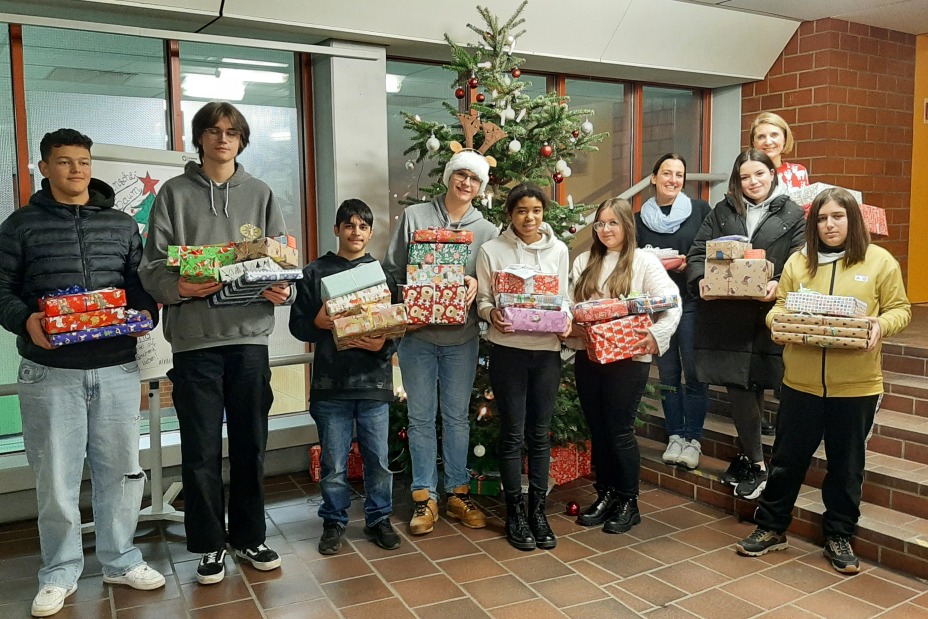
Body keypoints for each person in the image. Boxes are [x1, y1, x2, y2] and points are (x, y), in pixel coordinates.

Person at [0, 129, 165, 617]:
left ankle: (120, 559)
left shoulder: (119, 224)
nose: (76, 170)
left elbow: (138, 282)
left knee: (120, 471)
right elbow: (2, 287)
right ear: (45, 168)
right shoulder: (19, 226)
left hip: (116, 366)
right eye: (65, 161)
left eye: (84, 161)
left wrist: (144, 314)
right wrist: (24, 320)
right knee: (55, 478)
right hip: (50, 371)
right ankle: (59, 570)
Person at [139, 102, 292, 585]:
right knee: (200, 450)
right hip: (192, 343)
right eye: (213, 131)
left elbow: (281, 258)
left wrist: (283, 287)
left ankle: (249, 536)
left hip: (249, 339)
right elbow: (151, 267)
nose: (222, 139)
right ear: (200, 138)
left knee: (251, 444)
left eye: (232, 132)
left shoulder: (262, 194)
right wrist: (179, 288)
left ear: (242, 140)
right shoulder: (173, 194)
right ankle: (207, 546)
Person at [736, 188, 911, 573]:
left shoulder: (879, 262)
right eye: (821, 218)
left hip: (857, 386)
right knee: (786, 461)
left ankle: (839, 534)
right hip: (800, 383)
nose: (829, 225)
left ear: (853, 219)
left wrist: (880, 324)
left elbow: (901, 310)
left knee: (847, 466)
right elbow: (780, 306)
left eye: (837, 216)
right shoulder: (801, 262)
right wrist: (775, 322)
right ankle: (771, 528)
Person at [382, 149, 499, 535]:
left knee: (456, 418)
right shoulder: (416, 217)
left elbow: (491, 279)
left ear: (481, 187)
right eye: (460, 175)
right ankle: (423, 497)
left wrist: (476, 283)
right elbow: (393, 267)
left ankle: (457, 493)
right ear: (449, 176)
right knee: (419, 418)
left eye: (474, 179)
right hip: (417, 338)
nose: (466, 183)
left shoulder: (487, 231)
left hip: (460, 338)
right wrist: (407, 306)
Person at [686, 148, 805, 500]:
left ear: (773, 174)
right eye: (745, 176)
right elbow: (696, 254)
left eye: (760, 174)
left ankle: (771, 463)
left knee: (770, 385)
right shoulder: (722, 211)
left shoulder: (794, 214)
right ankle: (756, 461)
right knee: (739, 388)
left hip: (770, 316)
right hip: (728, 315)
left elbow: (801, 260)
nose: (753, 182)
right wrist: (700, 281)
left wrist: (778, 283)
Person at [289, 199, 401, 556]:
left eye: (363, 226)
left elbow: (397, 327)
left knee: (378, 460)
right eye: (349, 225)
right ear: (336, 230)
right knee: (333, 463)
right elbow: (297, 325)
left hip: (373, 384)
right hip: (330, 386)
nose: (356, 232)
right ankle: (334, 521)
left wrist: (382, 344)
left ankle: (379, 518)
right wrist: (317, 324)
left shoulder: (384, 275)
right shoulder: (314, 272)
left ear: (370, 232)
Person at [569, 198, 680, 534]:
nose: (605, 230)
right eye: (600, 224)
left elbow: (670, 303)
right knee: (598, 430)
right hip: (589, 358)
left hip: (629, 361)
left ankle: (628, 502)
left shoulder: (644, 262)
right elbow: (570, 304)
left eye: (612, 223)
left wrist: (656, 335)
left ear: (626, 226)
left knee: (619, 431)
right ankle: (605, 495)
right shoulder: (584, 261)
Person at [475, 184, 572, 551]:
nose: (529, 218)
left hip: (546, 352)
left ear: (543, 212)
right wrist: (490, 314)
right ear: (510, 214)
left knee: (540, 433)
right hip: (508, 351)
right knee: (513, 433)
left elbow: (564, 297)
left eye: (535, 210)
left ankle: (538, 512)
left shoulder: (559, 250)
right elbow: (484, 299)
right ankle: (514, 513)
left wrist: (564, 318)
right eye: (521, 211)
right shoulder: (491, 251)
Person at [635, 153, 712, 470]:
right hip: (658, 308)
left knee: (694, 375)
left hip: (691, 301)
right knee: (667, 375)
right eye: (666, 173)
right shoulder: (639, 219)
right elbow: (634, 261)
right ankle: (675, 436)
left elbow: (710, 252)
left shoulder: (699, 211)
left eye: (679, 174)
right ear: (653, 178)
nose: (673, 179)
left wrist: (689, 263)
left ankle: (693, 440)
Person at [750, 111, 809, 190]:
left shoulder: (798, 171)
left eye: (774, 135)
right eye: (761, 137)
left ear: (784, 139)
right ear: (753, 142)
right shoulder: (746, 175)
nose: (768, 142)